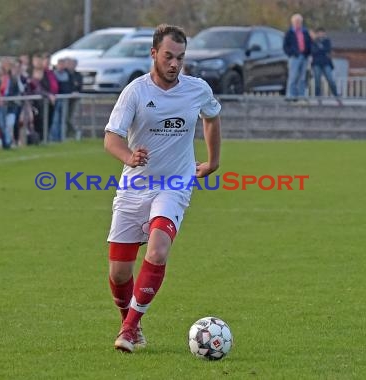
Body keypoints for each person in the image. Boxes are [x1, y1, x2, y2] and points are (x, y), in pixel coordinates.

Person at [104, 24, 222, 353]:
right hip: (134, 186)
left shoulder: (197, 89)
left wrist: (213, 161)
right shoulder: (135, 92)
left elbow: (211, 117)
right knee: (118, 272)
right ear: (154, 54)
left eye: (180, 58)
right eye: (168, 56)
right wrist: (129, 156)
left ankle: (129, 330)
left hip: (175, 184)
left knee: (157, 250)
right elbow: (111, 137)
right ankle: (129, 321)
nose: (174, 64)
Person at [283, 13, 312, 101]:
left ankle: (301, 96)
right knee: (293, 77)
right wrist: (291, 53)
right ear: (293, 22)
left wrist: (308, 53)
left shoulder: (305, 32)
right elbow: (285, 46)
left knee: (302, 78)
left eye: (299, 21)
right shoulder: (289, 33)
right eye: (296, 21)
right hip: (294, 57)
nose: (298, 23)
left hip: (304, 56)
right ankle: (291, 95)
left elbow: (309, 43)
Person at [311, 27, 341, 104]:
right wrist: (320, 49)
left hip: (326, 63)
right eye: (319, 33)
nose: (321, 34)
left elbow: (328, 49)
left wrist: (320, 49)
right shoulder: (314, 41)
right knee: (317, 81)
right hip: (316, 63)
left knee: (331, 80)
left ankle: (337, 97)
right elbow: (313, 51)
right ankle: (318, 98)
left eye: (322, 32)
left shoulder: (327, 41)